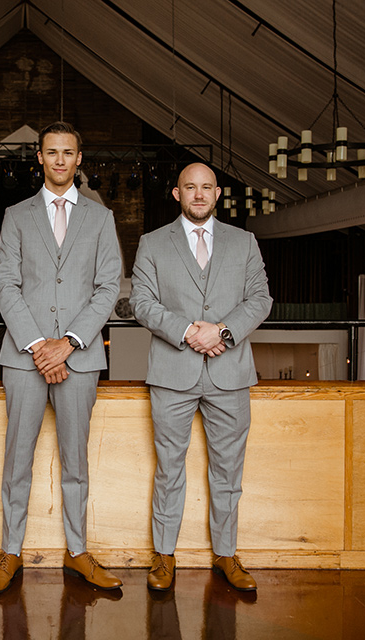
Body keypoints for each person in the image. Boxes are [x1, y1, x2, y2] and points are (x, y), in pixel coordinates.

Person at [0, 121, 123, 593]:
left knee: (76, 462)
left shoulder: (100, 219)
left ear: (79, 159)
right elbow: (5, 284)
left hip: (80, 358)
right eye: (52, 152)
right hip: (23, 359)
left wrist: (68, 342)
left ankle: (78, 552)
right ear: (39, 158)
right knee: (16, 461)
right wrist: (37, 346)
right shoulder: (16, 215)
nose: (61, 160)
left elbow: (108, 287)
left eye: (69, 152)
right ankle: (10, 553)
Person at [129, 162, 272, 592]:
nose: (198, 194)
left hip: (230, 372)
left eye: (206, 187)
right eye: (190, 187)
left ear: (217, 193)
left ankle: (226, 555)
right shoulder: (153, 243)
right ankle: (164, 556)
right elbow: (141, 302)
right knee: (169, 469)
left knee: (229, 470)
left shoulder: (243, 241)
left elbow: (261, 298)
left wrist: (222, 332)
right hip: (173, 372)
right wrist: (189, 331)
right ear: (176, 194)